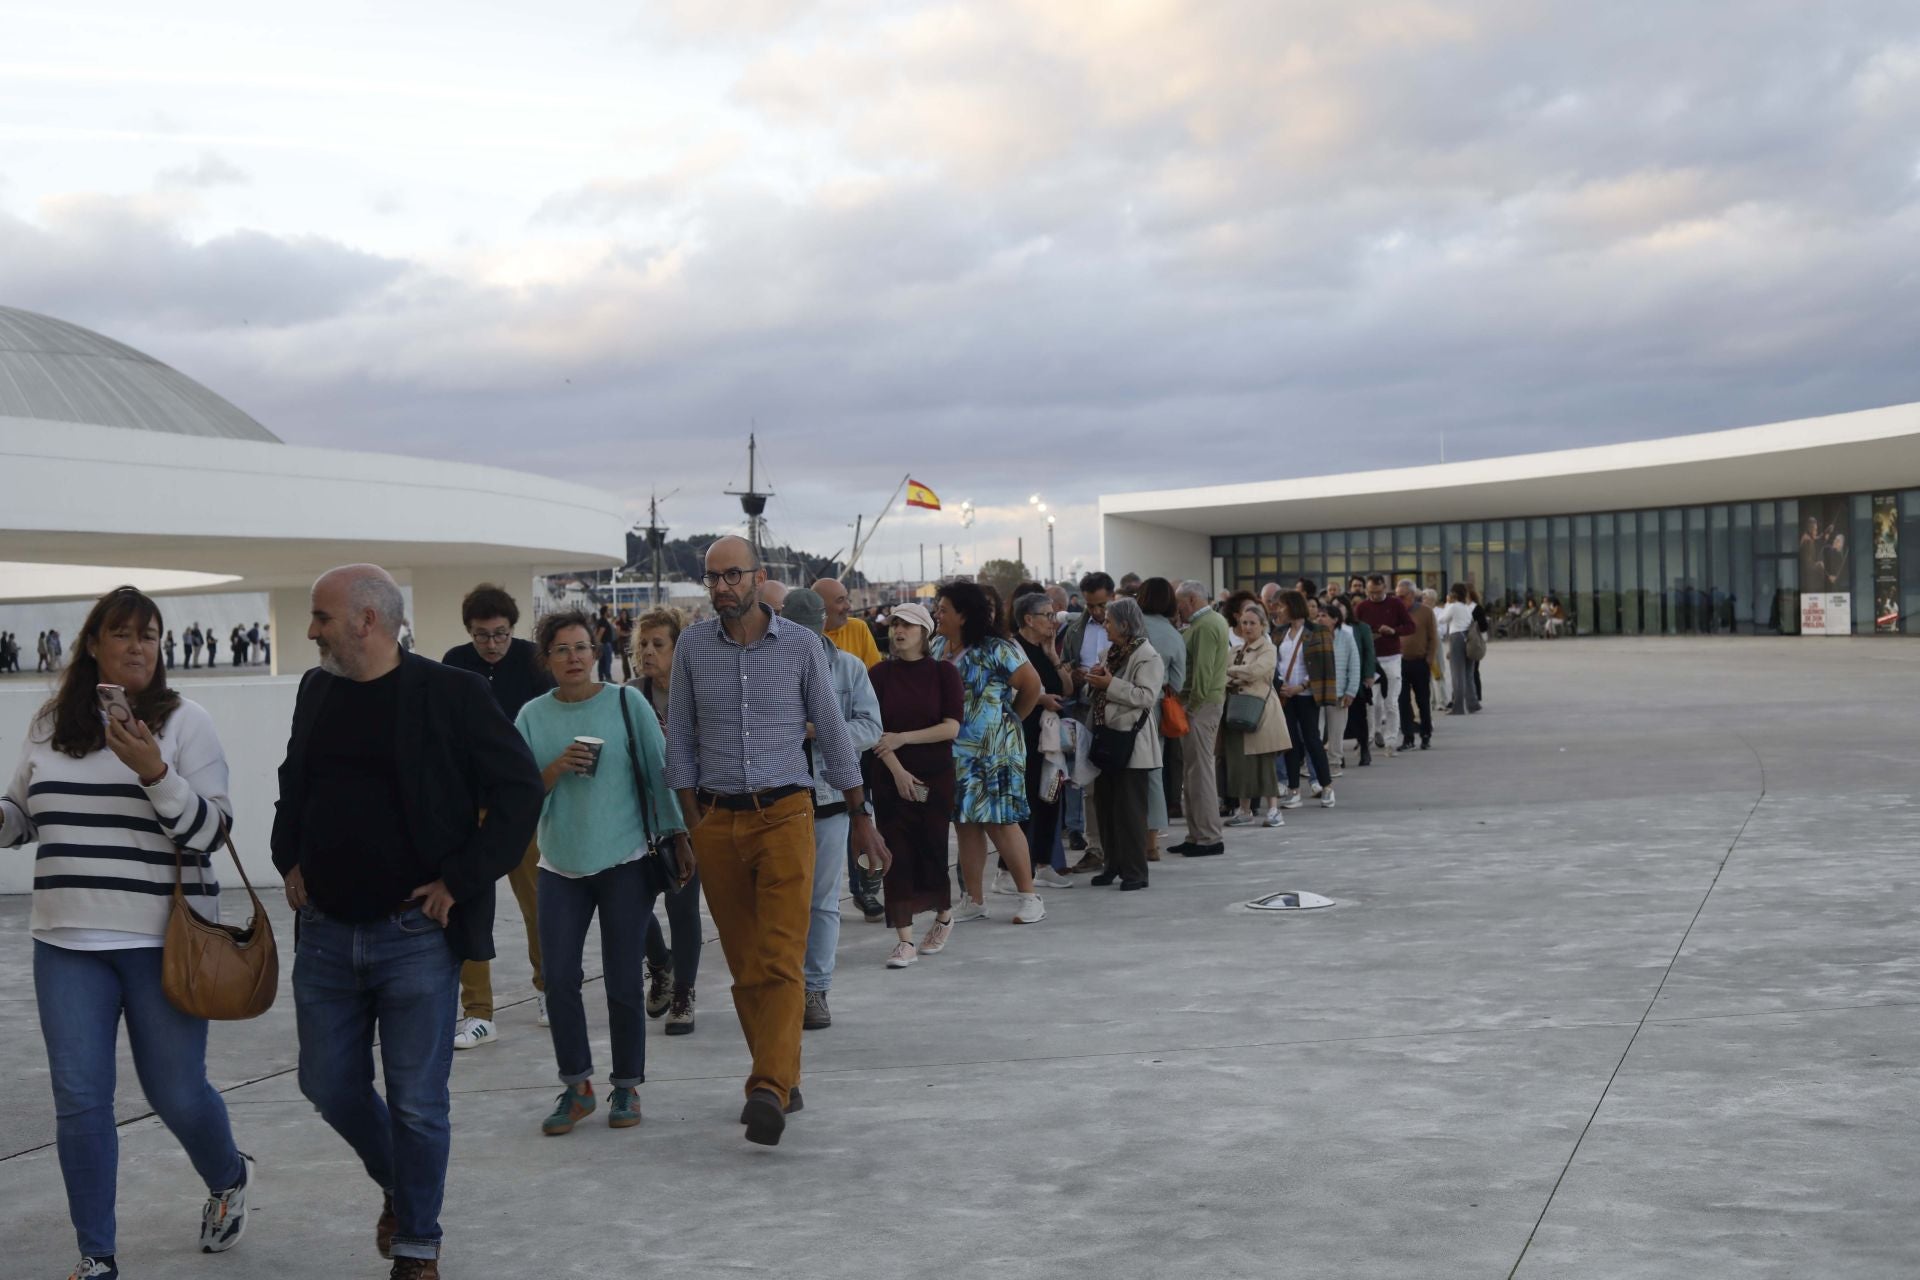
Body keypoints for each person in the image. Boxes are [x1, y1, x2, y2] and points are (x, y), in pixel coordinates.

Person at [273, 564, 543, 1278]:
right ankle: (402, 1181)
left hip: (415, 936)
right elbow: (293, 781)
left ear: (366, 620)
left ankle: (419, 1245)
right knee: (326, 1084)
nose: (311, 631)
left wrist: (462, 877)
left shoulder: (451, 693)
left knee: (420, 1103)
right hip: (325, 931)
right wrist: (288, 859)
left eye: (321, 617)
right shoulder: (316, 689)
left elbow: (518, 790)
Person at [3, 587, 255, 1280]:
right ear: (94, 644)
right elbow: (21, 815)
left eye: (150, 634)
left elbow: (211, 834)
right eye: (123, 633)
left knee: (175, 1092)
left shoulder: (185, 724)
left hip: (162, 944)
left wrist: (155, 772)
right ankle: (97, 1256)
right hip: (65, 942)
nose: (139, 645)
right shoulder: (52, 721)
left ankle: (229, 1174)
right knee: (80, 1101)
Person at [664, 536, 887, 1146]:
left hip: (788, 813)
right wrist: (688, 822)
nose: (721, 588)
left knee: (783, 954)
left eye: (732, 576)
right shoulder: (692, 647)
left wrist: (859, 810)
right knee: (744, 964)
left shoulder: (800, 646)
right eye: (712, 578)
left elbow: (836, 734)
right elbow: (679, 736)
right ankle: (785, 1077)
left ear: (758, 578)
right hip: (717, 819)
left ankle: (765, 1085)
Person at [514, 610, 689, 1137]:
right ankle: (577, 1086)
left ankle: (626, 1086)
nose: (573, 658)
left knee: (620, 980)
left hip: (625, 861)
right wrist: (555, 768)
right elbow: (518, 794)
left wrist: (680, 836)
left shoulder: (625, 701)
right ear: (546, 659)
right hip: (559, 863)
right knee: (560, 979)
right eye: (561, 650)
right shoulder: (531, 717)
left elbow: (661, 774)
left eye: (582, 647)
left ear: (597, 652)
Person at [439, 583, 555, 1050]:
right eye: (483, 635)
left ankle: (551, 990)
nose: (492, 644)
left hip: (521, 806)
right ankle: (478, 1012)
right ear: (469, 632)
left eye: (501, 634)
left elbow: (550, 723)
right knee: (468, 907)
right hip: (469, 807)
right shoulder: (453, 663)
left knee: (539, 905)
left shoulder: (532, 661)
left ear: (514, 629)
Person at [778, 589, 883, 1031]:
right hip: (779, 797)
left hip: (829, 800)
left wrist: (818, 728)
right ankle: (783, 987)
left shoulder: (848, 668)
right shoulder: (770, 668)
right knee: (781, 901)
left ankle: (815, 988)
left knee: (822, 901)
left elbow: (871, 727)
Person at [931, 581, 1046, 925]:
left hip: (995, 751)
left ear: (963, 615)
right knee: (965, 824)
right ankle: (974, 899)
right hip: (955, 751)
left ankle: (1029, 896)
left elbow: (1031, 686)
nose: (937, 614)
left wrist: (1012, 719)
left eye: (943, 609)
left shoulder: (997, 647)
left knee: (1000, 822)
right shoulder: (938, 645)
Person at [866, 603, 963, 969]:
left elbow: (951, 727)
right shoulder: (879, 675)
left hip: (934, 779)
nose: (899, 631)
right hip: (890, 779)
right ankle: (904, 939)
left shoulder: (943, 674)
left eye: (907, 625)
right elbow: (873, 729)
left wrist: (904, 738)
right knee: (896, 855)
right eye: (895, 625)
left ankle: (943, 916)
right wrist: (897, 770)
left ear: (925, 632)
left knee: (932, 849)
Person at [630, 608, 703, 1034]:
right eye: (643, 644)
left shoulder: (696, 693)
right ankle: (659, 963)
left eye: (659, 644)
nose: (649, 653)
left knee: (681, 903)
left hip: (690, 812)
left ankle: (684, 993)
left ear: (678, 649)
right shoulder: (629, 696)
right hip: (642, 816)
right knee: (633, 905)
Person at [813, 576, 885, 918]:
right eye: (840, 600)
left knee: (858, 816)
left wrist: (826, 730)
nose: (848, 605)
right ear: (819, 610)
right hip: (812, 771)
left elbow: (874, 680)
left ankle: (864, 887)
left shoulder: (857, 632)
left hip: (852, 754)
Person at [1080, 597, 1164, 891]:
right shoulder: (1110, 653)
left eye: (1110, 621)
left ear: (1125, 625)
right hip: (1106, 738)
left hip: (1131, 742)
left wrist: (1109, 685)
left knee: (1129, 811)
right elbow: (1100, 690)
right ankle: (1112, 865)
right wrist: (1093, 680)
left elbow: (1146, 697)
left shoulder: (1147, 656)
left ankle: (1135, 872)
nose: (1105, 625)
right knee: (1106, 808)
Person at [1010, 591, 1075, 887]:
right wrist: (1040, 699)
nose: (1053, 621)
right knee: (1025, 802)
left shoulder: (1045, 647)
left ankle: (1045, 861)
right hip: (1024, 734)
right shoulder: (1013, 649)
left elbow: (1068, 689)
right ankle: (1012, 869)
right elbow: (1009, 693)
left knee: (1051, 796)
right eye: (1047, 615)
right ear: (1028, 619)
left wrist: (1053, 656)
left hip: (1050, 738)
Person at [1167, 580, 1229, 857]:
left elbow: (1202, 673)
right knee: (1193, 772)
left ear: (1191, 600)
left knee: (1200, 772)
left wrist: (1190, 705)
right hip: (1200, 704)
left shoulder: (1205, 626)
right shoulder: (1207, 623)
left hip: (1200, 706)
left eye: (1179, 602)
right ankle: (1197, 834)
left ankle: (1208, 837)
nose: (1176, 608)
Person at [1222, 597, 1289, 828]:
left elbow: (1257, 671)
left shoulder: (1268, 648)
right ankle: (1244, 809)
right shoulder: (1235, 650)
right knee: (1239, 762)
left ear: (1262, 625)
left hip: (1260, 712)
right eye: (1244, 622)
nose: (1247, 627)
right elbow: (1223, 675)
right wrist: (1235, 673)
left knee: (1264, 760)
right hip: (1236, 709)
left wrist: (1232, 672)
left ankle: (1274, 810)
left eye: (1252, 622)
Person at [1136, 577, 1186, 862]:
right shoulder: (1173, 635)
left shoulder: (1131, 625)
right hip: (1155, 708)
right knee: (1154, 771)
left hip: (1124, 704)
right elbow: (1178, 682)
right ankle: (1151, 841)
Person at [1274, 590, 1333, 810]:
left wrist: (1302, 686)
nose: (1279, 610)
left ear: (1292, 606)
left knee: (1312, 740)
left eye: (1282, 606)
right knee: (1289, 743)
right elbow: (1275, 663)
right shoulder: (1280, 633)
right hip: (1286, 695)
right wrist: (1282, 687)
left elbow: (1324, 665)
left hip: (1307, 694)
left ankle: (1326, 786)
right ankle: (1293, 790)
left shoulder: (1317, 631)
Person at [1353, 575, 1413, 757]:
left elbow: (1410, 626)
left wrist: (1394, 631)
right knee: (1372, 703)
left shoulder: (1395, 604)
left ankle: (1391, 741)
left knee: (1391, 702)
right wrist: (1366, 637)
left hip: (1392, 657)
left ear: (1385, 588)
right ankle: (1370, 736)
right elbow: (1354, 630)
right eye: (1371, 592)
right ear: (1366, 590)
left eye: (1378, 592)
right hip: (1371, 659)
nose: (1375, 596)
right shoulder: (1361, 607)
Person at [1317, 597, 1360, 774]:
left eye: (1324, 615)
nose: (1319, 618)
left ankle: (1334, 764)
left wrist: (1351, 692)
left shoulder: (1346, 637)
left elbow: (1354, 665)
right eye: (1318, 615)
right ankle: (1314, 766)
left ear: (1335, 619)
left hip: (1339, 693)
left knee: (1336, 732)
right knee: (1315, 732)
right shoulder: (1312, 636)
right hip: (1317, 693)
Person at [1395, 579, 1437, 751]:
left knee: (1422, 701)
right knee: (1402, 701)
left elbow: (1433, 638)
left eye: (1402, 596)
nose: (1399, 600)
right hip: (1400, 662)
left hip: (1420, 662)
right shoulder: (1396, 612)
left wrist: (1429, 659)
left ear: (1412, 595)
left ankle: (1425, 735)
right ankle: (1408, 736)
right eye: (1396, 596)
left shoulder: (1425, 612)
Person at [814, 577, 882, 670]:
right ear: (820, 607)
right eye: (840, 600)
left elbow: (875, 673)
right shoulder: (804, 634)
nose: (848, 606)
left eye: (847, 599)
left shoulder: (858, 628)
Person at [1436, 584, 1481, 715]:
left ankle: (1458, 707)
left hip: (1457, 638)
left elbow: (1441, 619)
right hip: (1469, 638)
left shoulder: (1453, 606)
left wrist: (1447, 605)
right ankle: (1473, 704)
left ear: (1453, 594)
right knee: (1468, 673)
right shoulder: (1467, 607)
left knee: (1457, 675)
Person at [593, 605, 617, 682]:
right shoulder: (604, 621)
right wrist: (597, 645)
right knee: (607, 661)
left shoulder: (601, 620)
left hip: (602, 644)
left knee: (602, 662)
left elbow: (595, 633)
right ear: (605, 612)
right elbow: (600, 633)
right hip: (605, 645)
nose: (610, 612)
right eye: (608, 610)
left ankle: (601, 678)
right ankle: (608, 678)